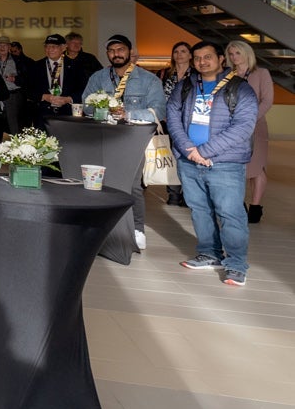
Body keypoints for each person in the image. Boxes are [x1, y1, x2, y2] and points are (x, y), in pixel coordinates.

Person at [166, 41, 256, 286]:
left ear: (220, 59)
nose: (201, 62)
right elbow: (172, 116)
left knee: (230, 214)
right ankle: (209, 254)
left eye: (207, 57)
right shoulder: (185, 86)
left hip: (224, 162)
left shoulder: (240, 88)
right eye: (197, 58)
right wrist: (188, 150)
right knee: (199, 210)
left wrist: (204, 151)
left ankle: (236, 264)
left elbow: (243, 127)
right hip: (189, 161)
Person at [84, 34, 167, 250]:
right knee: (101, 183)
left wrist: (127, 113)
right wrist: (103, 110)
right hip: (103, 139)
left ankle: (137, 229)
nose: (116, 54)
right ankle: (105, 228)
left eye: (120, 50)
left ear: (130, 52)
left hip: (134, 140)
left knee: (132, 186)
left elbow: (159, 110)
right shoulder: (98, 77)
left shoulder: (149, 80)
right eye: (111, 51)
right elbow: (86, 105)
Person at [225, 40, 273, 224]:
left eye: (237, 53)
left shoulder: (261, 73)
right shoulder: (228, 75)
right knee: (237, 166)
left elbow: (267, 100)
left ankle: (255, 207)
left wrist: (250, 120)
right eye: (231, 54)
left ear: (247, 53)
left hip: (255, 126)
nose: (234, 57)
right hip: (231, 127)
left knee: (257, 166)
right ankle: (239, 205)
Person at [159, 41, 194, 207]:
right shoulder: (164, 73)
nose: (179, 55)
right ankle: (173, 194)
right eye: (176, 52)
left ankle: (188, 195)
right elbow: (159, 98)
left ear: (190, 55)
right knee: (170, 159)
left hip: (189, 124)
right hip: (168, 122)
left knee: (187, 159)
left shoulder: (196, 74)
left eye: (183, 51)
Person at [25, 33, 87, 126]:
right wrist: (44, 97)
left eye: (54, 46)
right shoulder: (35, 66)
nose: (49, 50)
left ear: (63, 48)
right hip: (42, 115)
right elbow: (27, 90)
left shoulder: (76, 66)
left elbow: (83, 89)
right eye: (47, 46)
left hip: (68, 115)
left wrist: (68, 99)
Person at [0, 35, 25, 140]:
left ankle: (18, 150)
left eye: (5, 45)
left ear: (9, 47)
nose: (2, 47)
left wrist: (15, 79)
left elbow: (27, 79)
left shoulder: (18, 60)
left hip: (14, 96)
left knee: (15, 127)